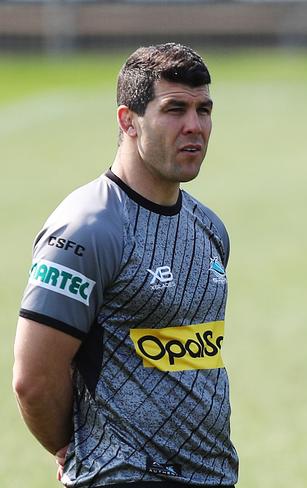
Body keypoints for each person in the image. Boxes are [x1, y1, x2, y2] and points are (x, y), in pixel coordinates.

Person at [13, 43, 237, 487]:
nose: (194, 126)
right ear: (128, 121)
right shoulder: (88, 228)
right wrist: (74, 446)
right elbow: (33, 378)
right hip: (124, 475)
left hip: (211, 475)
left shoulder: (208, 227)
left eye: (203, 110)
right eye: (175, 109)